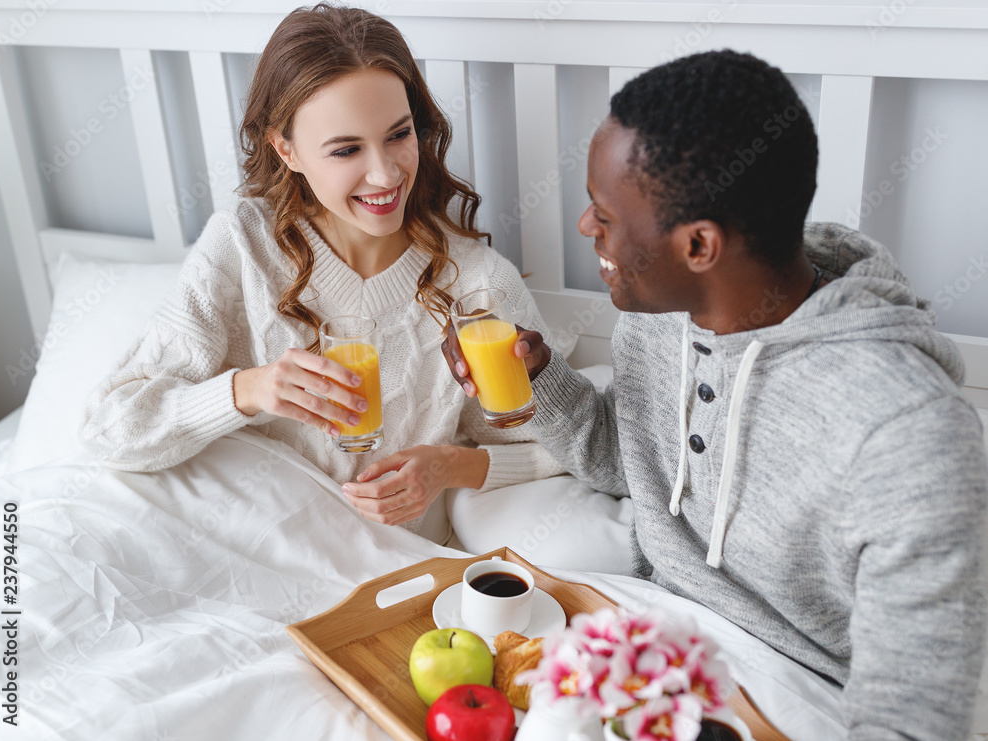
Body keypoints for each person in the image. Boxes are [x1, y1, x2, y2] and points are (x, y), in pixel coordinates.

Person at [444, 50, 988, 739]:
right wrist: (541, 377)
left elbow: (910, 718)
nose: (586, 226)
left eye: (605, 215)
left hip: (797, 687)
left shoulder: (909, 433)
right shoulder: (661, 315)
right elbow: (634, 463)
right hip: (647, 628)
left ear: (698, 245)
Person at [80, 3, 560, 545]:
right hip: (243, 551)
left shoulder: (476, 283)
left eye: (399, 134)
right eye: (346, 149)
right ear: (286, 149)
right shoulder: (242, 244)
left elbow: (568, 447)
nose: (385, 173)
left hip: (384, 577)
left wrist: (448, 467)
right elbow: (110, 430)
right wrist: (249, 389)